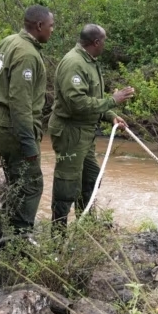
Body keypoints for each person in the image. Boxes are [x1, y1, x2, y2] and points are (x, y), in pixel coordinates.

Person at [48, 24, 135, 235]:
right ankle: (58, 236)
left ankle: (85, 227)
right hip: (70, 132)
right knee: (67, 184)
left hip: (85, 133)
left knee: (91, 177)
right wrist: (113, 101)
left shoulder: (89, 62)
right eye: (104, 41)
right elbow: (76, 103)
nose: (105, 44)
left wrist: (111, 116)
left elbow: (92, 100)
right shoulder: (74, 64)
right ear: (96, 42)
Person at [0, 5, 54, 247]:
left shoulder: (9, 41)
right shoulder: (26, 53)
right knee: (32, 183)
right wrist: (29, 144)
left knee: (17, 181)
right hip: (15, 126)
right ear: (39, 26)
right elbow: (20, 102)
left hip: (1, 120)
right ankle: (19, 238)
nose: (52, 30)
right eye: (50, 25)